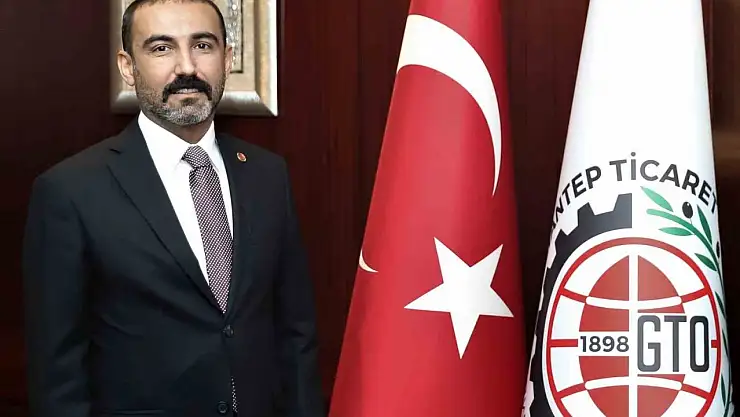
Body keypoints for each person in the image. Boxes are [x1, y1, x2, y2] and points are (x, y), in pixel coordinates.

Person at [22, 0, 325, 416]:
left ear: (227, 59)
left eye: (202, 45)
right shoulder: (70, 191)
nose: (187, 67)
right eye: (162, 48)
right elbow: (57, 373)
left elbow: (296, 335)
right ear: (128, 67)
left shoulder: (268, 175)